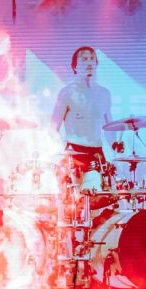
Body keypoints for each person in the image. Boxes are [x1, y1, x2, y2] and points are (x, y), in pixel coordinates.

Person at [51, 46, 113, 189]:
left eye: (92, 59)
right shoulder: (66, 93)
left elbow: (109, 126)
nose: (89, 63)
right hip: (74, 153)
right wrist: (59, 150)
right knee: (73, 198)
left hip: (97, 152)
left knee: (102, 196)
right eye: (84, 59)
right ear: (75, 66)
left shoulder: (104, 93)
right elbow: (53, 127)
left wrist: (115, 144)